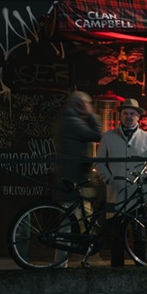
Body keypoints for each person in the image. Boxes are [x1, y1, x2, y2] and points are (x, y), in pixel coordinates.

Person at [95, 98, 147, 266]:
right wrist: (109, 179)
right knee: (116, 235)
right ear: (120, 115)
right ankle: (117, 269)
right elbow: (99, 162)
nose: (129, 116)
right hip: (116, 192)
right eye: (125, 113)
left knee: (140, 235)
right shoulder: (108, 136)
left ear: (138, 116)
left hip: (138, 193)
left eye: (132, 113)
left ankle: (141, 268)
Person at [51, 90, 103, 267]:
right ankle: (61, 263)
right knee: (69, 223)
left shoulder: (69, 120)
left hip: (76, 180)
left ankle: (87, 258)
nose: (90, 107)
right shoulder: (71, 121)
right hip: (71, 181)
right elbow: (97, 134)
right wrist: (91, 115)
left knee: (83, 220)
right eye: (87, 104)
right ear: (80, 104)